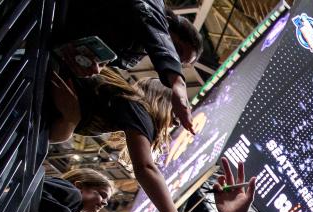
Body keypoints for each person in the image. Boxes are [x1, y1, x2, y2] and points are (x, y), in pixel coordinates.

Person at [46, 69, 189, 212]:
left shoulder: (122, 105)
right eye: (176, 113)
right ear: (163, 100)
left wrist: (69, 123)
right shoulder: (138, 109)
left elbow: (53, 133)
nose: (176, 121)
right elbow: (145, 168)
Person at [54, 0, 203, 132]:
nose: (174, 57)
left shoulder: (130, 58)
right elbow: (153, 22)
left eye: (180, 61)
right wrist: (178, 83)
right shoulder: (154, 5)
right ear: (168, 22)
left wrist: (87, 66)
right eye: (177, 50)